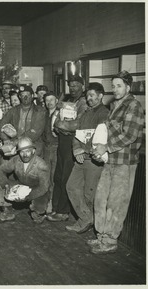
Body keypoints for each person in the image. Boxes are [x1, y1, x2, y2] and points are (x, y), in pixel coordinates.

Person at [89, 71, 144, 254]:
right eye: (113, 86)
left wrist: (106, 147)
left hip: (124, 162)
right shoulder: (115, 105)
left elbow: (130, 135)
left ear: (128, 87)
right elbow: (107, 131)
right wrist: (99, 149)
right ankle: (101, 235)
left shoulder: (134, 105)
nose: (115, 89)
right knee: (100, 199)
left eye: (119, 85)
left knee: (116, 203)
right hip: (111, 160)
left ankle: (110, 239)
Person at [65, 83, 109, 234]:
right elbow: (77, 134)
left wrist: (87, 149)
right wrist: (76, 148)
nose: (89, 98)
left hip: (94, 160)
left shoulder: (104, 114)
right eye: (87, 96)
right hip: (81, 158)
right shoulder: (85, 113)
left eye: (92, 95)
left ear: (101, 95)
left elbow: (101, 139)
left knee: (89, 194)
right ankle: (86, 218)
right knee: (71, 186)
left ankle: (91, 225)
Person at [47, 75, 88, 222]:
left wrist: (60, 125)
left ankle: (64, 211)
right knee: (58, 176)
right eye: (71, 85)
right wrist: (61, 125)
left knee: (66, 177)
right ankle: (57, 208)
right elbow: (56, 123)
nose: (73, 88)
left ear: (83, 86)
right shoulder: (69, 101)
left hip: (74, 142)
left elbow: (76, 125)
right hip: (63, 143)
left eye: (76, 85)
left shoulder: (83, 103)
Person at [0, 137, 49, 224]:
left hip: (36, 188)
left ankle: (39, 213)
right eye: (22, 152)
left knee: (40, 203)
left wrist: (27, 196)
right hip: (21, 184)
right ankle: (8, 211)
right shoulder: (16, 160)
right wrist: (6, 184)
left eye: (28, 151)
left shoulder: (41, 165)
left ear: (33, 151)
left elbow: (43, 187)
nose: (25, 155)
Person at [0, 84, 46, 157]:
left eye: (28, 95)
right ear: (19, 97)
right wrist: (6, 139)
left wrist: (15, 142)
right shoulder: (13, 110)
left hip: (33, 148)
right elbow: (1, 125)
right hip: (16, 150)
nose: (25, 97)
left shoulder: (40, 111)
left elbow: (35, 133)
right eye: (22, 95)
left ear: (32, 96)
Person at [41, 91, 59, 213]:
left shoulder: (60, 113)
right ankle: (44, 202)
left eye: (51, 100)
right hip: (45, 148)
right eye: (47, 100)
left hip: (56, 148)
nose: (49, 102)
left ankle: (52, 203)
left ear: (56, 101)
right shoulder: (44, 114)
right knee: (45, 176)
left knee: (54, 177)